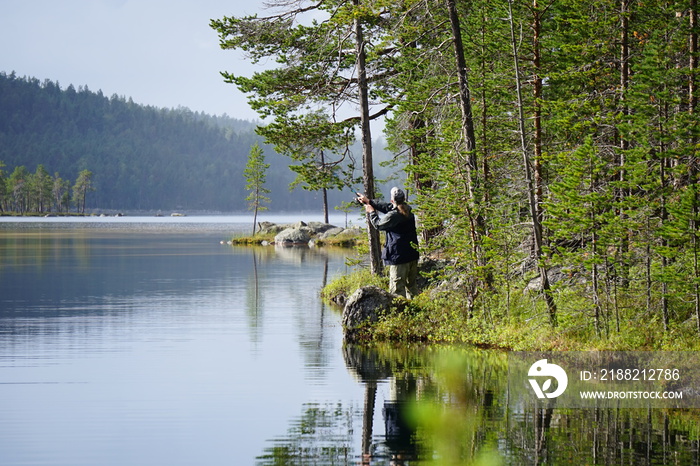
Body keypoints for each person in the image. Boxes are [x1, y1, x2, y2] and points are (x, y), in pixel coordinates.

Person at [357, 187, 419, 299]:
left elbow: (378, 225)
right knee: (412, 288)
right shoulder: (408, 209)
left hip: (399, 258)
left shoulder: (394, 215)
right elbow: (387, 207)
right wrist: (369, 201)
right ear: (404, 199)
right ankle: (416, 313)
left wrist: (371, 212)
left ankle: (399, 315)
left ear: (392, 200)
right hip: (412, 256)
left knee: (397, 291)